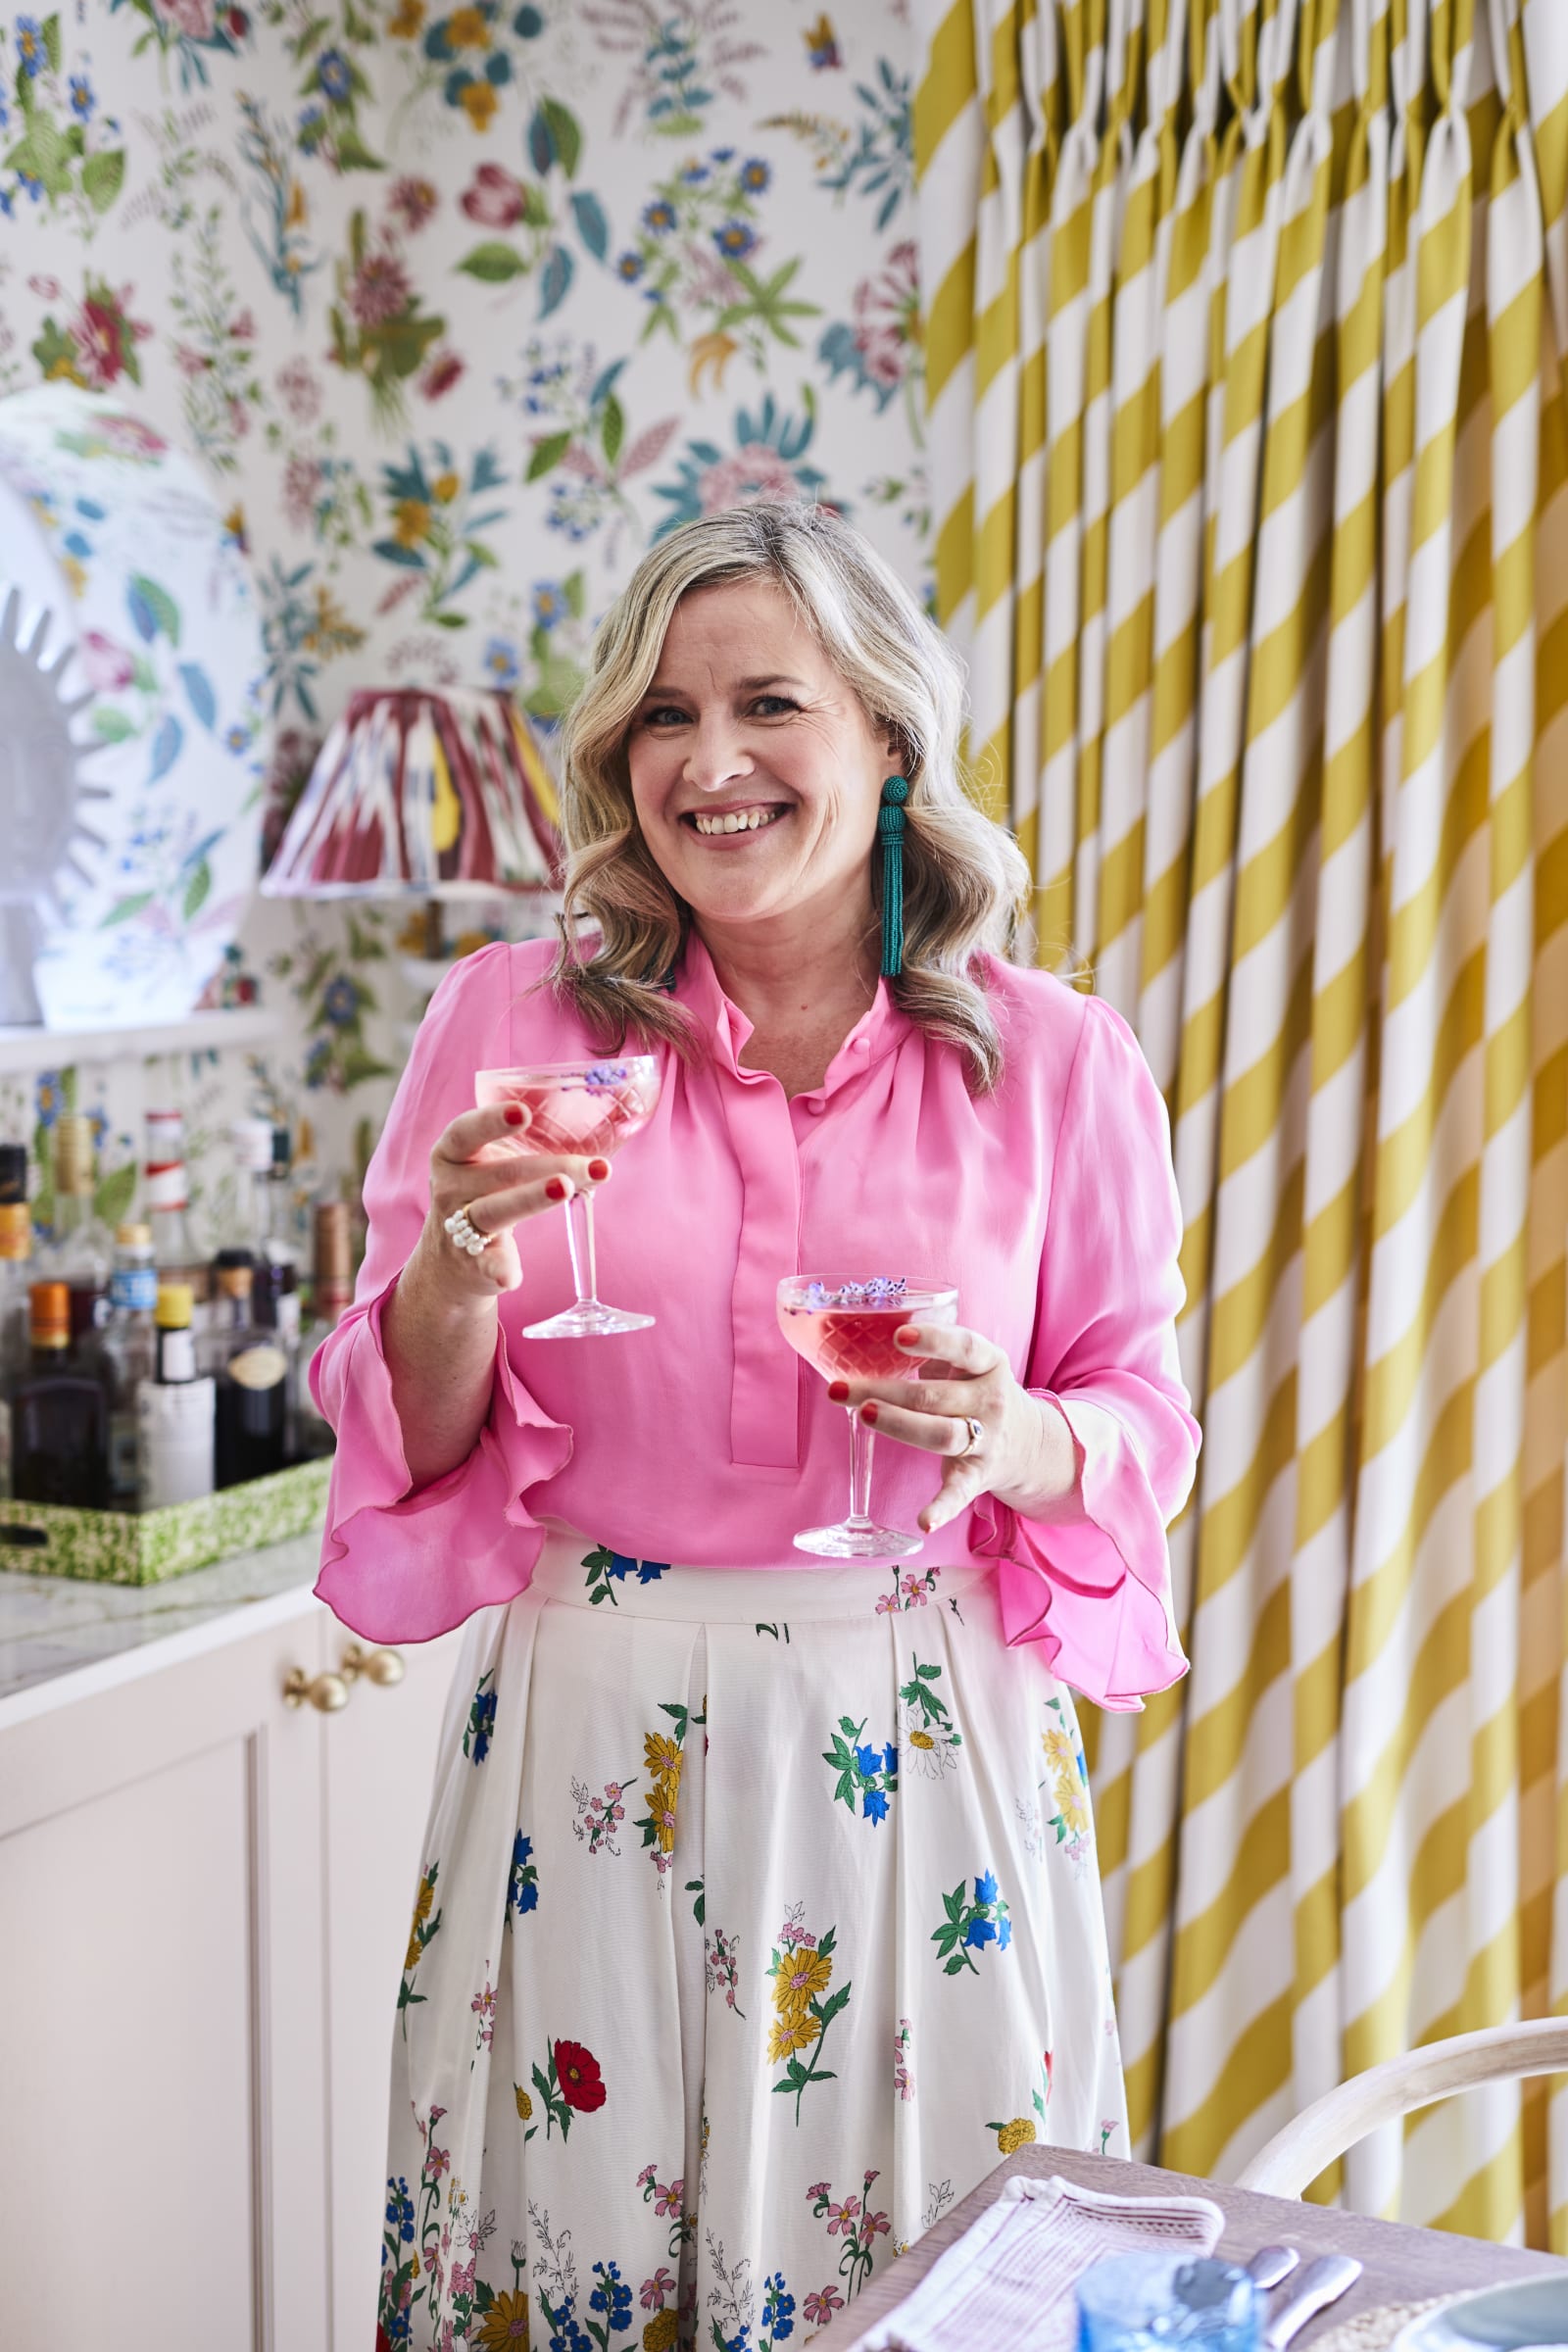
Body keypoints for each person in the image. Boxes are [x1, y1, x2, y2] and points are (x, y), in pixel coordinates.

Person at [314, 503, 1200, 2349]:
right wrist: (460, 1270)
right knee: (578, 2259)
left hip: (916, 1735)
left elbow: (1134, 1411)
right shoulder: (509, 1018)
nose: (708, 764)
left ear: (886, 736)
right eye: (661, 715)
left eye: (769, 705)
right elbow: (408, 1414)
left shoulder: (1049, 1058)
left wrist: (1015, 1435)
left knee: (932, 2269)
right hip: (589, 1734)